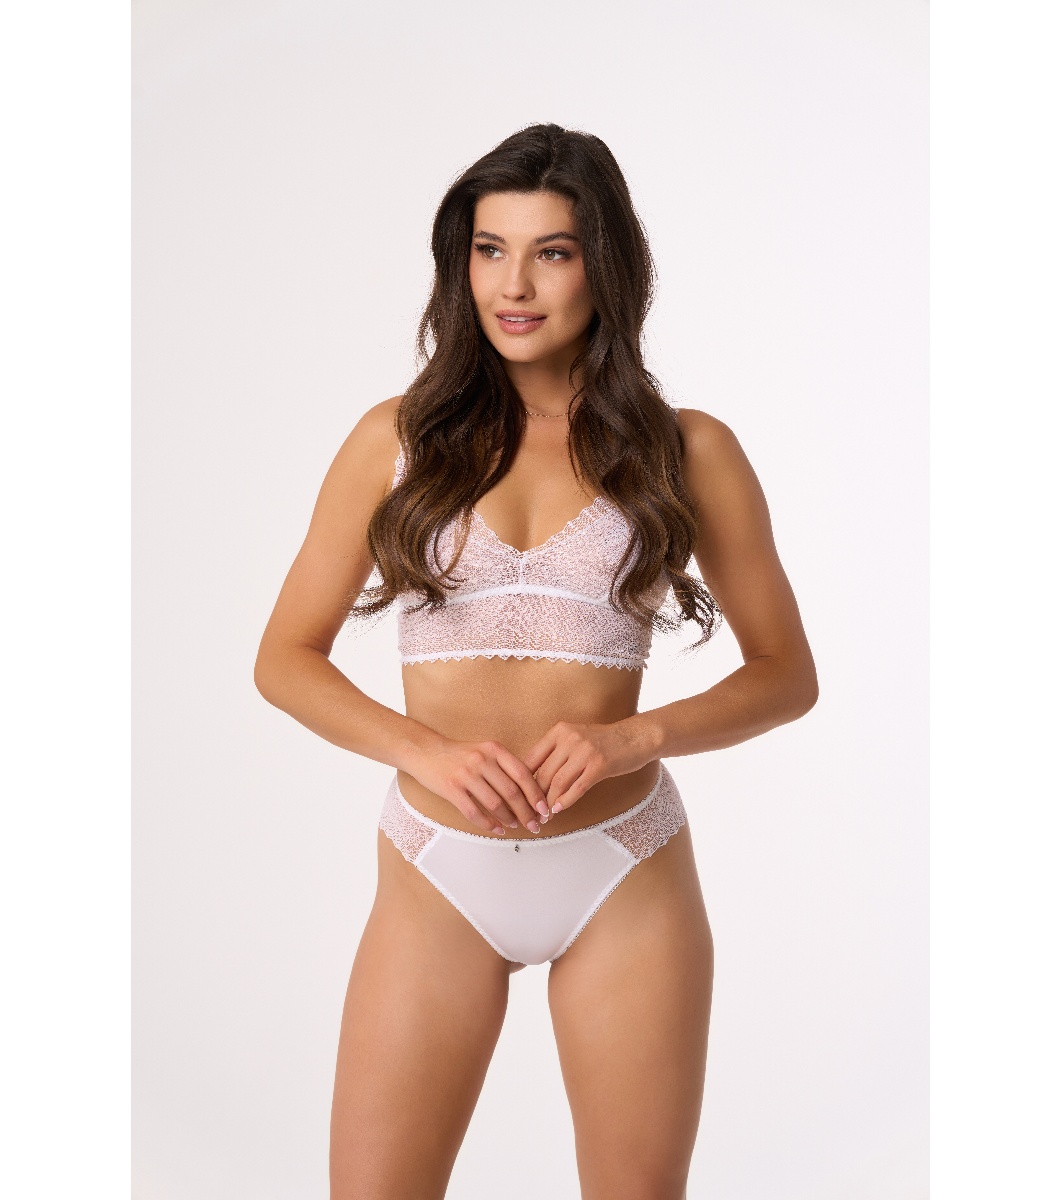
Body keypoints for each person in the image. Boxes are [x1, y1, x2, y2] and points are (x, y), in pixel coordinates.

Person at [254, 122, 817, 1200]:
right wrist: (423, 751)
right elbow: (285, 657)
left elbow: (787, 672)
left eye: (552, 252)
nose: (513, 285)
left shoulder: (685, 449)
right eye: (489, 249)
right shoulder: (396, 440)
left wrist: (635, 737)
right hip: (435, 868)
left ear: (605, 267)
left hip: (623, 867)